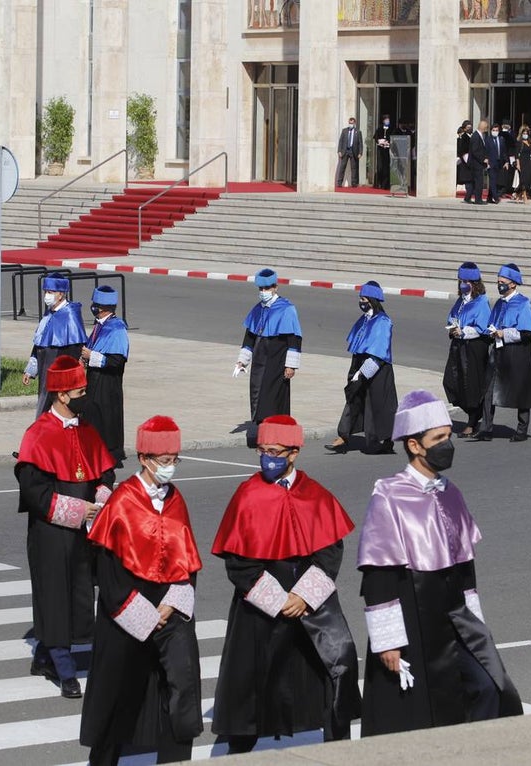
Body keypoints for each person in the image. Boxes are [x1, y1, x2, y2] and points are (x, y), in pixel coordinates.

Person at [357, 390, 523, 735]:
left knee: (491, 685)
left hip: (455, 615)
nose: (447, 445)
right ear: (415, 446)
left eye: (448, 437)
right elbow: (379, 574)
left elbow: (466, 566)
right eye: (438, 439)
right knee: (417, 710)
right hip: (412, 614)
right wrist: (388, 641)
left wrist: (477, 623)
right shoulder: (388, 494)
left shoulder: (452, 492)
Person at [210, 415, 361, 754]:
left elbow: (330, 553)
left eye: (275, 451)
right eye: (262, 451)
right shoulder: (247, 495)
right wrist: (278, 600)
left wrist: (303, 597)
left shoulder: (316, 495)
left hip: (310, 602)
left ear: (293, 453)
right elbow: (238, 563)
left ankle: (339, 751)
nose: (267, 458)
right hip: (261, 605)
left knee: (336, 667)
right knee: (250, 686)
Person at [80, 416, 204, 765]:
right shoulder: (122, 501)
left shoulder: (176, 500)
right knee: (117, 696)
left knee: (182, 688)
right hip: (127, 614)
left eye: (175, 460)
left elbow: (187, 559)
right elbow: (108, 573)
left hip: (170, 609)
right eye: (164, 462)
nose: (170, 468)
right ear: (145, 460)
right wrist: (144, 616)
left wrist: (172, 605)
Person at [16, 355, 116, 699]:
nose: (85, 395)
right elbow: (34, 492)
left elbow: (105, 472)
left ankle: (46, 654)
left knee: (79, 592)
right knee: (54, 595)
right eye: (80, 390)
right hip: (52, 531)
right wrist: (78, 511)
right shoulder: (37, 434)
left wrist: (101, 499)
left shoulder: (87, 428)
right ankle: (64, 665)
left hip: (85, 530)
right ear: (61, 395)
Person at [327, 281, 398, 455]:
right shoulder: (364, 319)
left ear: (373, 300)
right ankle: (343, 436)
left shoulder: (382, 321)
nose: (361, 302)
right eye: (360, 298)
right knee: (353, 397)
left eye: (364, 299)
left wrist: (362, 373)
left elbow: (379, 351)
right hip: (359, 363)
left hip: (376, 367)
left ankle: (384, 441)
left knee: (377, 406)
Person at [477, 264, 531, 443]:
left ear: (512, 284)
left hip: (517, 353)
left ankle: (521, 429)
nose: (499, 285)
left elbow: (528, 333)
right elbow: (491, 324)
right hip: (497, 352)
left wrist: (505, 334)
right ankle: (486, 428)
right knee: (488, 389)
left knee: (521, 390)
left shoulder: (523, 303)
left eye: (502, 282)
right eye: (498, 282)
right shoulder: (498, 303)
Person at [234, 268, 302, 427]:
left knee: (272, 397)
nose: (263, 292)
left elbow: (294, 339)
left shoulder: (287, 308)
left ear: (275, 287)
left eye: (267, 288)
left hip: (277, 361)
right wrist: (242, 361)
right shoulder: (257, 309)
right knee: (257, 393)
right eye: (261, 289)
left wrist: (291, 365)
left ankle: (274, 428)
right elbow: (249, 338)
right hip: (259, 359)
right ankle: (261, 427)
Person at [23, 275, 88, 418]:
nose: (47, 295)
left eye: (51, 292)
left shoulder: (70, 315)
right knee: (43, 401)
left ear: (61, 294)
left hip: (61, 375)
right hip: (45, 371)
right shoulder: (48, 314)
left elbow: (75, 350)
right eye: (46, 291)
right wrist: (31, 370)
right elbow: (39, 344)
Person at [79, 286, 129, 466]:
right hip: (94, 381)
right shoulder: (100, 326)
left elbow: (117, 361)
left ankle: (108, 457)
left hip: (108, 385)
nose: (93, 307)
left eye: (95, 305)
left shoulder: (117, 328)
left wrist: (91, 356)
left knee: (106, 421)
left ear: (103, 307)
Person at [443, 262, 492, 438]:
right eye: (460, 280)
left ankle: (472, 421)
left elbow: (483, 328)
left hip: (474, 348)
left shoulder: (481, 302)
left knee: (471, 384)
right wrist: (453, 328)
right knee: (451, 381)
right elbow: (452, 318)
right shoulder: (460, 301)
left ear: (474, 283)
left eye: (466, 281)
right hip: (458, 346)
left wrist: (463, 332)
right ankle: (473, 413)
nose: (462, 284)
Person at [335, 116, 363, 188]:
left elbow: (360, 143)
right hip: (345, 151)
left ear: (354, 123)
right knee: (342, 167)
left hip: (354, 152)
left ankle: (354, 183)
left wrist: (360, 152)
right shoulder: (344, 131)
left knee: (354, 168)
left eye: (352, 123)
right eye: (349, 123)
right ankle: (339, 183)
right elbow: (341, 141)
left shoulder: (358, 132)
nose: (350, 124)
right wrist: (339, 151)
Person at [467, 120, 489, 205]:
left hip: (477, 163)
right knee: (479, 181)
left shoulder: (479, 136)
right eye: (486, 127)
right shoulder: (476, 136)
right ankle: (478, 199)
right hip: (476, 164)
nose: (487, 129)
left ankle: (467, 197)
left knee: (474, 181)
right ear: (483, 128)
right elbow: (475, 150)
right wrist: (483, 159)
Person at [514, 124, 531, 203]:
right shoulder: (519, 142)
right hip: (522, 161)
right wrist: (518, 164)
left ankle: (517, 195)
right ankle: (524, 197)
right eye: (524, 133)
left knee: (528, 179)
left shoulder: (529, 142)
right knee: (523, 180)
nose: (525, 135)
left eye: (527, 133)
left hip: (528, 161)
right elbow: (516, 154)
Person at [456, 120, 475, 202]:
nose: (470, 129)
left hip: (473, 161)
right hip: (466, 163)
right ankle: (467, 197)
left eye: (470, 127)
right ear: (464, 129)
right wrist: (468, 161)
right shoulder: (463, 138)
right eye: (468, 127)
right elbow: (462, 151)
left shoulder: (473, 136)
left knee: (472, 180)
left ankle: (468, 197)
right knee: (468, 181)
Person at [374, 114, 393, 190]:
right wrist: (379, 141)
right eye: (386, 120)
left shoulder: (392, 128)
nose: (387, 121)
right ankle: (379, 183)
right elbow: (375, 137)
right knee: (380, 167)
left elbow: (393, 137)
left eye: (388, 120)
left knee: (387, 168)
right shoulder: (379, 129)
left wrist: (388, 142)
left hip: (388, 150)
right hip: (381, 150)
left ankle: (386, 185)